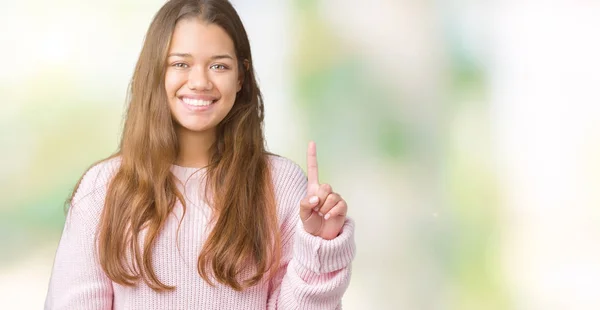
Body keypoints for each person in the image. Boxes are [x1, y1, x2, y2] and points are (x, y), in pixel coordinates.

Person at [44, 0, 355, 309]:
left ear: (241, 77)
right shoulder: (103, 189)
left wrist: (320, 247)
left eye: (219, 65)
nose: (199, 82)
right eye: (180, 63)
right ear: (156, 71)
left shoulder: (280, 184)